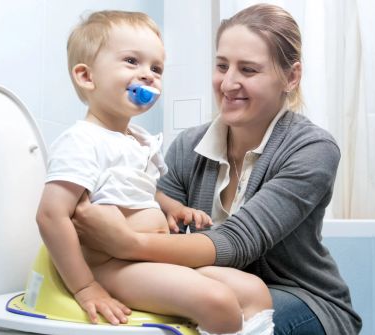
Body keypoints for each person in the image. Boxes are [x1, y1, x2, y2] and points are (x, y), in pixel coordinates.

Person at [71, 4, 363, 335]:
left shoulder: (312, 149)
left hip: (301, 295)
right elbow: (155, 222)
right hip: (209, 282)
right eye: (222, 66)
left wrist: (123, 243)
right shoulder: (187, 146)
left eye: (249, 70)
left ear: (291, 77)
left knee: (222, 315)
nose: (228, 83)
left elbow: (237, 244)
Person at [36, 10, 275, 335]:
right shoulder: (82, 141)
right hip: (109, 264)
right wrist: (85, 286)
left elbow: (143, 190)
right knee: (216, 301)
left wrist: (171, 208)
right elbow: (51, 216)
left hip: (144, 258)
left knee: (254, 291)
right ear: (86, 76)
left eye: (156, 68)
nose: (148, 74)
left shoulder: (139, 140)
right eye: (132, 61)